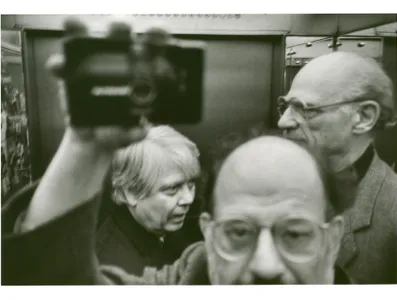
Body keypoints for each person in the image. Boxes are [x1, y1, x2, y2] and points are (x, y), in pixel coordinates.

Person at [1, 18, 351, 285]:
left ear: (333, 239)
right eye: (238, 233)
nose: (265, 265)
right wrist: (86, 146)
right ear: (210, 234)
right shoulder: (187, 277)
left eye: (296, 233)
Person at [277, 51, 397, 284]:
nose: (284, 121)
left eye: (305, 109)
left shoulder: (394, 213)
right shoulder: (276, 184)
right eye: (285, 105)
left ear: (364, 117)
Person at [95, 125, 200, 276]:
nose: (189, 199)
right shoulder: (108, 272)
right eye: (172, 188)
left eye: (191, 185)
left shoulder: (163, 228)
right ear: (131, 192)